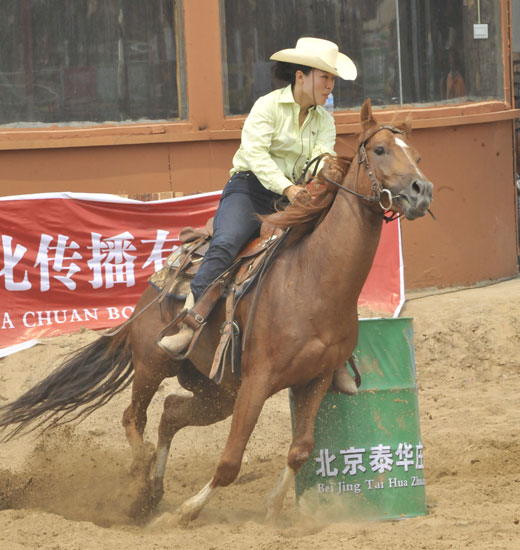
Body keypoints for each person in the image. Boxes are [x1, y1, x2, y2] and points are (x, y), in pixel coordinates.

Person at [160, 37, 359, 393]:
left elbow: (321, 157)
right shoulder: (267, 107)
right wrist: (288, 189)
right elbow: (256, 156)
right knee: (227, 242)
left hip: (294, 196)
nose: (330, 85)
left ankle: (336, 352)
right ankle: (189, 323)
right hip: (250, 190)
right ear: (301, 76)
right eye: (324, 77)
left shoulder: (323, 121)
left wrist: (320, 179)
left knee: (325, 254)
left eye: (333, 79)